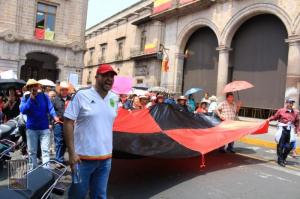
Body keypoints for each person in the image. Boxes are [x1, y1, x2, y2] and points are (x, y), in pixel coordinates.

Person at [64, 64, 118, 199]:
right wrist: (71, 153)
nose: (109, 79)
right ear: (96, 77)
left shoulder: (114, 98)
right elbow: (68, 122)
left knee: (100, 195)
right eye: (105, 75)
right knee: (77, 195)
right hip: (81, 159)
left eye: (111, 76)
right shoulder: (82, 95)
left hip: (105, 159)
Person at [20, 79, 59, 169]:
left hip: (44, 128)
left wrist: (54, 116)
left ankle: (46, 171)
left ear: (37, 87)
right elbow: (23, 110)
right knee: (32, 151)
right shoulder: (25, 98)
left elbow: (50, 107)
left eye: (35, 86)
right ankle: (33, 170)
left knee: (45, 151)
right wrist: (31, 99)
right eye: (31, 86)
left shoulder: (44, 96)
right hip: (31, 129)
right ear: (29, 88)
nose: (34, 88)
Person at [267, 98, 299, 167]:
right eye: (289, 103)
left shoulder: (295, 112)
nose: (290, 104)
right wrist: (268, 120)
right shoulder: (281, 111)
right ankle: (280, 160)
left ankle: (283, 157)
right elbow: (275, 117)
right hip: (282, 129)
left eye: (292, 103)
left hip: (290, 130)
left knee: (290, 146)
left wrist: (298, 130)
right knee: (280, 145)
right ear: (286, 103)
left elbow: (297, 122)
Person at [52, 82, 71, 166]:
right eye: (62, 89)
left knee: (67, 142)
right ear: (60, 90)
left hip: (69, 124)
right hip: (58, 123)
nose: (64, 91)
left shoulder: (72, 99)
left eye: (66, 89)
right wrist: (53, 120)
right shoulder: (55, 99)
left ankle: (63, 158)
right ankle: (58, 160)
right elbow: (51, 111)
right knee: (59, 141)